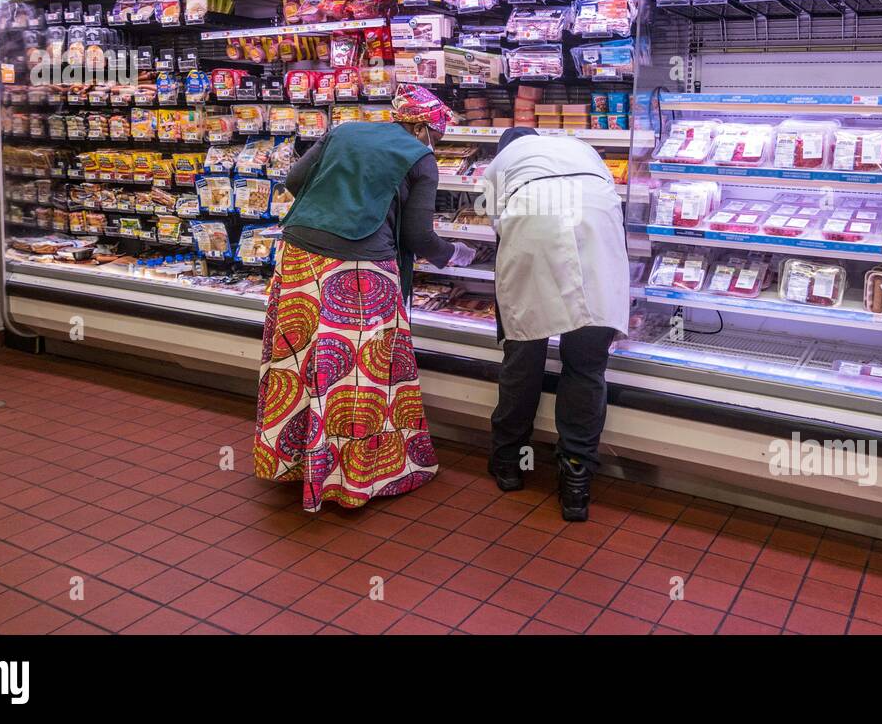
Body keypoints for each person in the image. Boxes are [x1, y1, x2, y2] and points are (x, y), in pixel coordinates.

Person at [253, 84, 476, 512]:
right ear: (427, 127)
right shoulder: (421, 158)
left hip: (299, 254)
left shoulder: (344, 130)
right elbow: (417, 236)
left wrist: (339, 203)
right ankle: (356, 477)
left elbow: (293, 180)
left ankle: (294, 460)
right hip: (358, 272)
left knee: (299, 358)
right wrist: (456, 255)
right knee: (360, 373)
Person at [480, 128, 629, 521]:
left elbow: (499, 228)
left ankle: (509, 463)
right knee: (586, 364)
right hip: (598, 231)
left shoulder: (500, 164)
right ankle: (576, 481)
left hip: (533, 227)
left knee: (524, 354)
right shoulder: (579, 148)